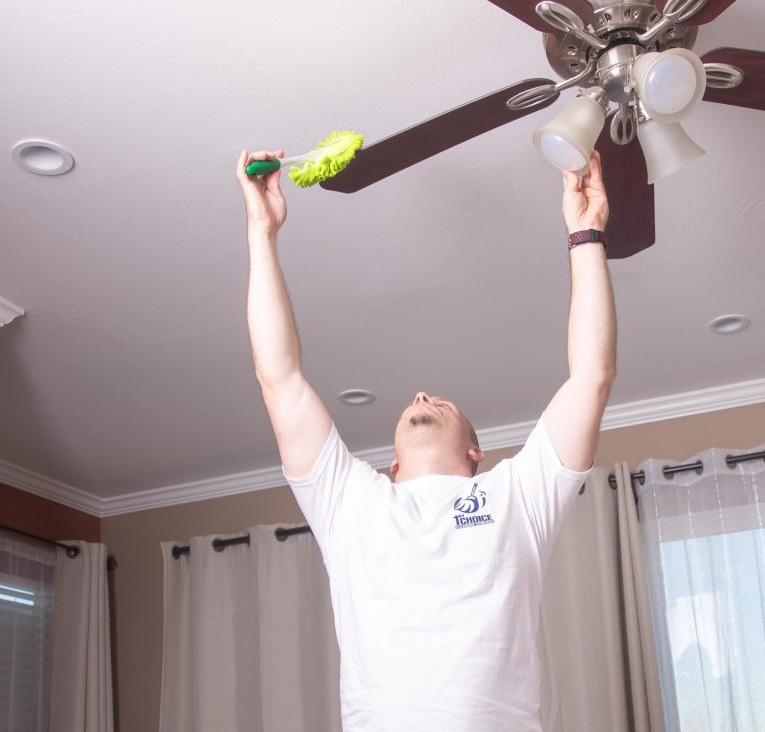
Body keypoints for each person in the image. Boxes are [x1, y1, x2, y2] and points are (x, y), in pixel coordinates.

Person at [236, 148, 616, 731]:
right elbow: (278, 377)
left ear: (475, 451)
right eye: (414, 404)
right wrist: (261, 233)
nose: (421, 398)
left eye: (443, 404)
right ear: (389, 463)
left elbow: (591, 376)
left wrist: (586, 234)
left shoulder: (518, 495)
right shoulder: (349, 500)